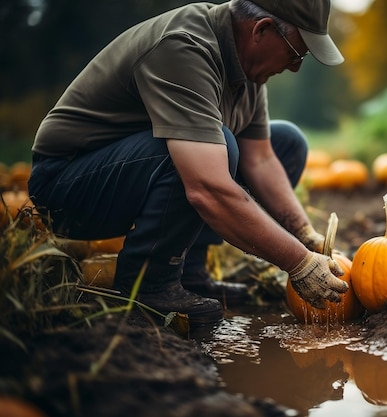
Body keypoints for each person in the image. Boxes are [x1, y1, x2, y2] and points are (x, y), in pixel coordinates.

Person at [28, 0, 349, 326]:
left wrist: (303, 233)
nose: (295, 67)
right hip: (69, 186)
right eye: (297, 54)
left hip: (135, 166)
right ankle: (147, 287)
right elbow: (207, 187)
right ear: (261, 30)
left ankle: (189, 271)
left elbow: (263, 159)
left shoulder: (249, 70)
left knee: (286, 144)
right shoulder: (183, 47)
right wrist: (298, 262)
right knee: (209, 149)